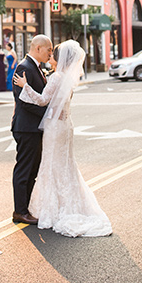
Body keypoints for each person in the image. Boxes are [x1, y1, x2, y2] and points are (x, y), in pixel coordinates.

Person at [14, 40, 112, 237]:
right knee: (64, 166)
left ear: (59, 59)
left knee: (52, 166)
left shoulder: (57, 77)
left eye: (53, 52)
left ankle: (52, 208)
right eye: (48, 51)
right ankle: (66, 204)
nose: (50, 55)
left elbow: (42, 101)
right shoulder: (66, 78)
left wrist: (25, 86)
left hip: (54, 129)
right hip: (65, 126)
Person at [10, 34, 54, 225]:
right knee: (24, 170)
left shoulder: (36, 68)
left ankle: (26, 208)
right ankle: (19, 211)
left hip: (34, 128)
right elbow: (24, 101)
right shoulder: (24, 67)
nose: (50, 53)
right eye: (49, 50)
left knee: (32, 170)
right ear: (38, 48)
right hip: (26, 128)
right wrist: (49, 114)